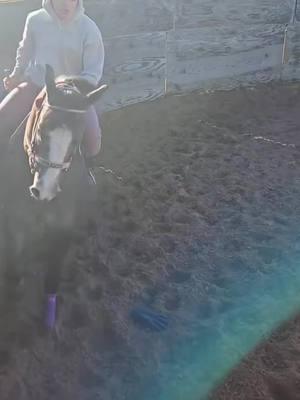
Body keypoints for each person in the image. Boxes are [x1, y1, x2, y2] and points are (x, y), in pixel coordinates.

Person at [1, 0, 105, 181]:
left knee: (93, 138)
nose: (66, 5)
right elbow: (24, 51)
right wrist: (16, 74)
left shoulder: (89, 29)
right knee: (2, 116)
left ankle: (87, 169)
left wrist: (72, 92)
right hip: (37, 84)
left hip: (72, 95)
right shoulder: (34, 20)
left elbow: (93, 71)